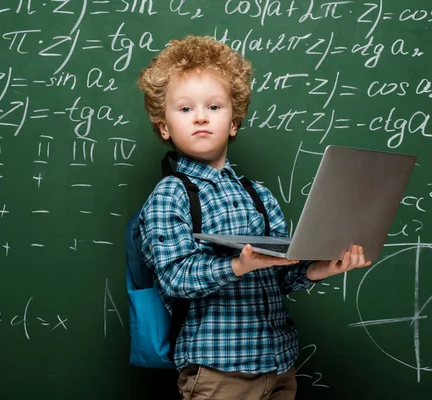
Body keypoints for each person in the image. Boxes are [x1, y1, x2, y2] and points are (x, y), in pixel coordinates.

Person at [136, 35, 371, 400]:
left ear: (233, 121)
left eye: (214, 107)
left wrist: (323, 267)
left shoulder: (258, 195)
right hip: (218, 372)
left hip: (279, 366)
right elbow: (175, 278)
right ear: (164, 127)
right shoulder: (171, 196)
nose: (200, 116)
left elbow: (282, 273)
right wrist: (238, 265)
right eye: (184, 109)